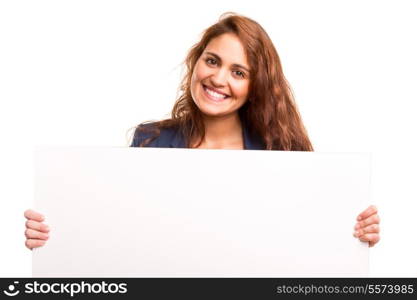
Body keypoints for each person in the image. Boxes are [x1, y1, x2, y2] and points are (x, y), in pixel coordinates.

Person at [24, 13, 380, 250]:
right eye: (212, 61)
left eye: (239, 72)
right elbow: (121, 233)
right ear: (197, 61)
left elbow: (307, 241)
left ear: (256, 86)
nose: (218, 78)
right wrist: (55, 233)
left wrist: (355, 234)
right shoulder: (150, 142)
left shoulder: (282, 153)